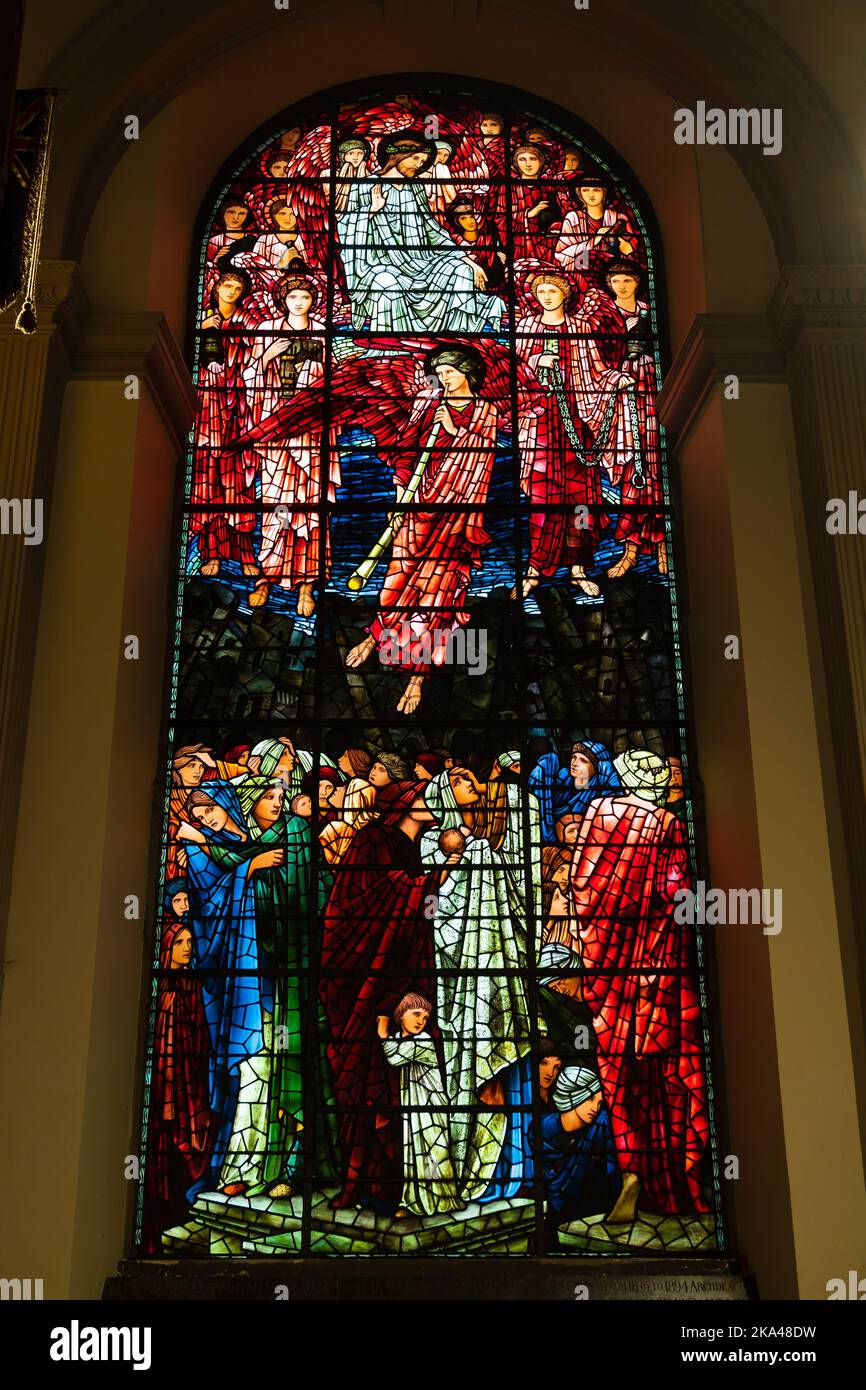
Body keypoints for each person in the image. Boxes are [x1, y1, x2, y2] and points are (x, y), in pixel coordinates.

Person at [568, 748, 711, 1214]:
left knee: (617, 1071)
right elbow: (678, 894)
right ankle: (669, 1179)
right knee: (663, 1069)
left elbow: (580, 885)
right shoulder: (666, 824)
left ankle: (630, 1171)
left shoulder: (596, 812)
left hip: (607, 970)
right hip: (654, 968)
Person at [320, 782, 465, 1212]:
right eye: (422, 798)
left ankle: (393, 1187)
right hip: (363, 979)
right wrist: (421, 883)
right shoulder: (371, 840)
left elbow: (421, 906)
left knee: (393, 1086)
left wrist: (434, 883)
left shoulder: (413, 847)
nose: (430, 804)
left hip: (401, 976)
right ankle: (358, 1184)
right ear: (402, 806)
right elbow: (359, 900)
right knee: (365, 1083)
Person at [345, 344, 498, 714]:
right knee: (396, 581)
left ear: (467, 373)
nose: (443, 378)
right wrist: (400, 498)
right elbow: (406, 452)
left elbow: (483, 459)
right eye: (440, 372)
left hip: (455, 516)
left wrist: (452, 430)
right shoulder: (429, 404)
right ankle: (376, 635)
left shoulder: (486, 411)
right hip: (418, 504)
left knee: (437, 596)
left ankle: (417, 677)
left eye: (449, 371)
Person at [420, 767, 541, 1201]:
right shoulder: (434, 843)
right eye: (463, 781)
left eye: (474, 779)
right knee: (470, 1064)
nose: (474, 785)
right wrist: (454, 865)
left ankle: (511, 1172)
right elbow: (434, 913)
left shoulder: (484, 845)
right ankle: (467, 1165)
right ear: (445, 794)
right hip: (457, 977)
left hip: (496, 966)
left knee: (499, 1068)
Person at [242, 274, 338, 615]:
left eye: (305, 297)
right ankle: (266, 576)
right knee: (276, 505)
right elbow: (247, 379)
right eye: (293, 296)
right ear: (283, 299)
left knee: (311, 511)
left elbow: (334, 381)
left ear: (313, 301)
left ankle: (307, 584)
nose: (299, 302)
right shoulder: (265, 329)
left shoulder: (322, 332)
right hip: (276, 431)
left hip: (310, 433)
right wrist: (266, 357)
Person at [340, 133, 494, 333]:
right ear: (398, 157)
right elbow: (344, 228)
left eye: (422, 161)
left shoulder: (416, 188)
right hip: (380, 264)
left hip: (423, 261)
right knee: (386, 282)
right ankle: (391, 343)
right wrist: (370, 211)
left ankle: (457, 336)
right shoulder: (365, 186)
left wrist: (467, 260)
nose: (419, 164)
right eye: (415, 158)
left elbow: (431, 228)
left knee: (461, 271)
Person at [514, 271, 608, 598]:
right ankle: (535, 568)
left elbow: (596, 372)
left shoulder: (580, 328)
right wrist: (535, 361)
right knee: (542, 497)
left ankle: (578, 567)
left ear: (564, 294)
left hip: (577, 422)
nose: (547, 296)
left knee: (579, 498)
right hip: (539, 424)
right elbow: (516, 373)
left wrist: (616, 381)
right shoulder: (525, 328)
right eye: (541, 291)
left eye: (553, 290)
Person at [581, 260, 666, 577]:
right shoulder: (602, 318)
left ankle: (662, 547)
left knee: (657, 469)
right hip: (619, 396)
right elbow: (592, 358)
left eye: (627, 280)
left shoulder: (651, 311)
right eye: (615, 281)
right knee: (633, 470)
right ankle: (630, 550)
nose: (622, 285)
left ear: (637, 282)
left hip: (653, 393)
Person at [142, 909, 214, 1252]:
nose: (187, 947)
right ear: (166, 948)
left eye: (189, 941)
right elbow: (168, 1058)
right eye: (179, 942)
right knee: (176, 1145)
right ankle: (169, 1217)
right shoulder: (168, 996)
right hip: (175, 1091)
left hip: (196, 1082)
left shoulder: (193, 983)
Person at [192, 268, 262, 582]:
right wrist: (202, 329)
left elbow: (259, 356)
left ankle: (246, 553)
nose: (232, 291)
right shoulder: (201, 320)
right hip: (209, 409)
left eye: (237, 286)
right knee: (208, 481)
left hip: (240, 408)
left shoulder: (249, 324)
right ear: (216, 287)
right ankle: (212, 553)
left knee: (240, 483)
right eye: (227, 285)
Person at [379, 993, 461, 1217]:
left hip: (431, 1106)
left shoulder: (423, 1039)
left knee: (434, 1151)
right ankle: (414, 1200)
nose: (420, 1021)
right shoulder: (404, 1040)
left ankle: (443, 1199)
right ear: (401, 1015)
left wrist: (382, 1034)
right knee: (413, 1151)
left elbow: (393, 1058)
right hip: (414, 1105)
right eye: (416, 1014)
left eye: (425, 1017)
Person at [538, 1065, 627, 1239]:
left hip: (590, 1217)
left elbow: (611, 1176)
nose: (595, 1107)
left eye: (600, 1102)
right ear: (573, 1094)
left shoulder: (600, 1129)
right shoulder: (539, 1129)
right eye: (590, 1098)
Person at [555, 171, 637, 277]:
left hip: (613, 273)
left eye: (596, 190)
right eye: (585, 190)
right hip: (580, 273)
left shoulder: (619, 218)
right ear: (579, 194)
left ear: (604, 192)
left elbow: (632, 251)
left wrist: (628, 250)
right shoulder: (573, 218)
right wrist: (594, 240)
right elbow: (561, 252)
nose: (591, 195)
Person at [510, 145, 563, 260]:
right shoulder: (510, 188)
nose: (528, 164)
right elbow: (500, 218)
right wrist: (529, 214)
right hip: (519, 244)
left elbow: (563, 215)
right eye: (522, 159)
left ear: (541, 162)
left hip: (550, 242)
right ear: (516, 163)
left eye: (533, 159)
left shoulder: (549, 187)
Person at [319, 776, 377, 865]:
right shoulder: (374, 831)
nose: (337, 788)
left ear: (353, 798)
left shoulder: (333, 829)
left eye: (346, 787)